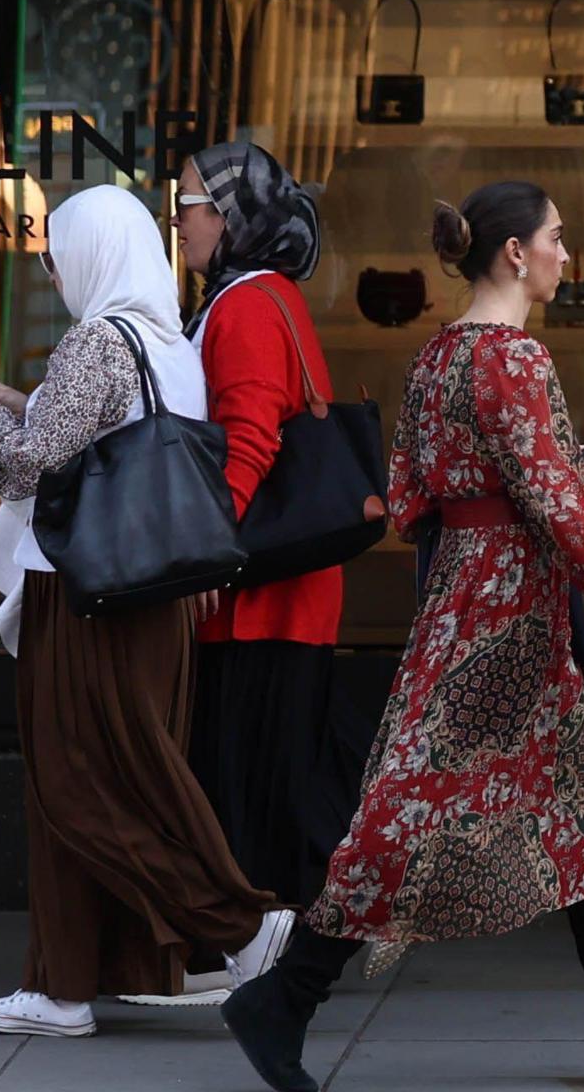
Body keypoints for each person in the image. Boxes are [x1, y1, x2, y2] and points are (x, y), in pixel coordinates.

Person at [224, 181, 584, 1092]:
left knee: (581, 816)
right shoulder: (512, 360)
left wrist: (484, 526)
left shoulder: (439, 356)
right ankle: (284, 999)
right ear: (514, 255)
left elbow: (412, 493)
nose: (567, 257)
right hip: (507, 616)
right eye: (558, 240)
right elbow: (559, 500)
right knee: (403, 818)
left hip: (472, 596)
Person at [0, 183, 294, 1040]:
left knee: (75, 782)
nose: (54, 270)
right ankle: (66, 985)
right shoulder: (167, 341)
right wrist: (26, 404)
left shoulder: (95, 339)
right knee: (133, 769)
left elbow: (31, 467)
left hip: (85, 594)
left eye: (58, 254)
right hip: (153, 592)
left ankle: (241, 925)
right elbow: (116, 442)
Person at [175, 142, 367, 905]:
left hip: (257, 594)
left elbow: (249, 439)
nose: (180, 218)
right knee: (292, 767)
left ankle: (278, 932)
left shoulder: (248, 302)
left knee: (262, 776)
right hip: (282, 592)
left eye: (190, 202)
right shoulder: (261, 293)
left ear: (230, 217)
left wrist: (204, 557)